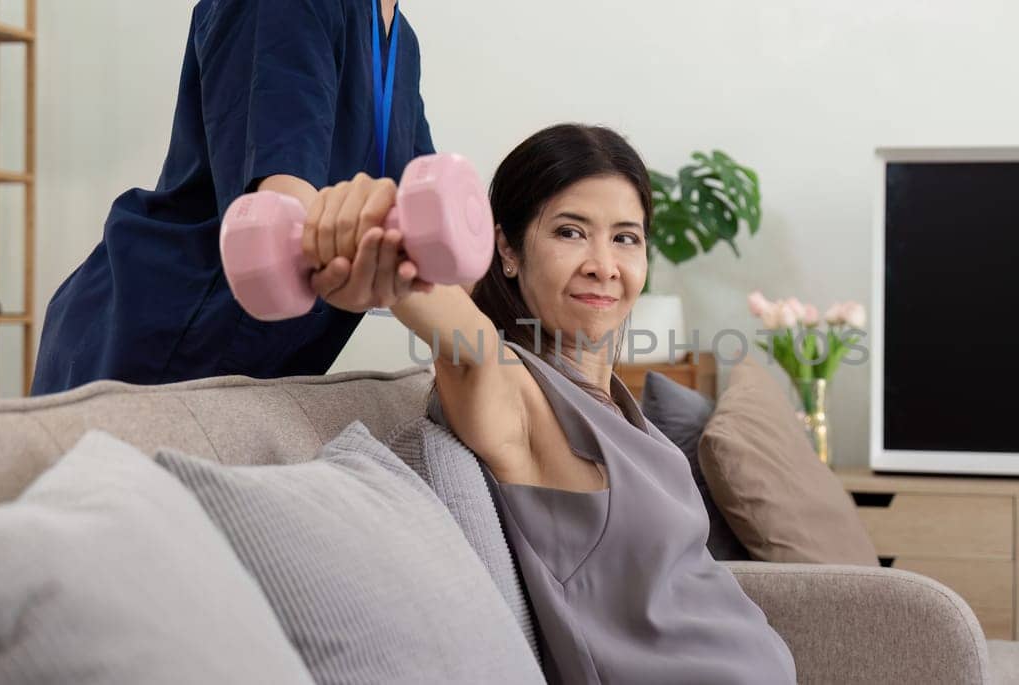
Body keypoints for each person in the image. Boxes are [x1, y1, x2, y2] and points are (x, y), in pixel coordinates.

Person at [320, 123, 797, 683]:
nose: (604, 264)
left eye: (626, 237)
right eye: (571, 233)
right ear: (507, 249)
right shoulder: (520, 398)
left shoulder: (620, 410)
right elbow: (467, 346)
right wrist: (378, 247)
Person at [31, 0, 433, 394]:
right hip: (158, 335)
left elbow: (430, 239)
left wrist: (485, 346)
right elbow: (286, 223)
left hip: (262, 363)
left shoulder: (402, 42)